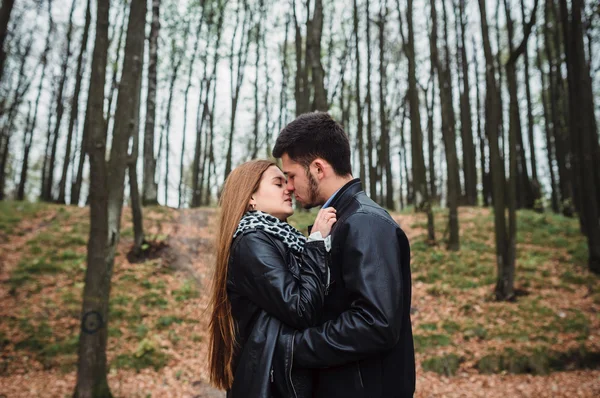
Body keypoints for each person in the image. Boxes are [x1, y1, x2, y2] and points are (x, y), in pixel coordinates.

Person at [272, 112, 415, 397]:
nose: (288, 187)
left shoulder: (366, 222)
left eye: (291, 176)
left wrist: (295, 347)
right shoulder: (342, 220)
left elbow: (375, 324)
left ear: (318, 168)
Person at [208, 159, 336, 397]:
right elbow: (301, 308)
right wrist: (317, 245)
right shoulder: (252, 243)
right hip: (272, 386)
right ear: (251, 198)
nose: (289, 188)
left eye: (287, 181)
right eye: (279, 183)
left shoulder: (283, 239)